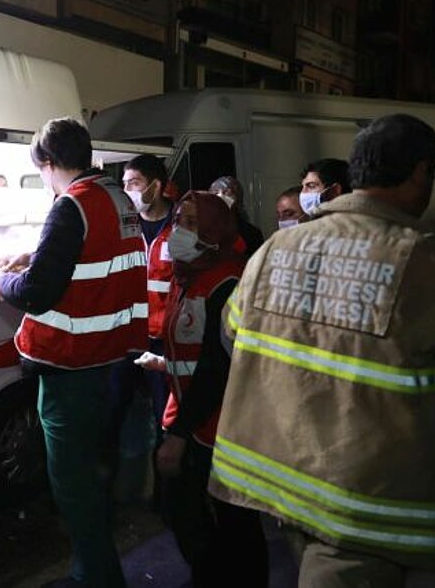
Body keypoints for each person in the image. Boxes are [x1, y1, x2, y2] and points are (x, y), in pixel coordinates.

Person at [209, 114, 435, 586]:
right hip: (367, 507)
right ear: (420, 173)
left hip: (280, 485)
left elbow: (232, 335)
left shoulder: (275, 251)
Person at [0, 117, 148, 588]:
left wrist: (3, 281)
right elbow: (88, 259)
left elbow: (37, 292)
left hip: (69, 361)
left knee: (71, 483)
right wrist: (33, 255)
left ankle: (97, 575)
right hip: (105, 355)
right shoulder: (116, 198)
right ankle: (90, 566)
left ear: (49, 163)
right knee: (88, 471)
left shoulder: (69, 205)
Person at [134, 191, 268, 588]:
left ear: (213, 231)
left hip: (224, 424)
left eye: (191, 223)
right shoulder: (188, 275)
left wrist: (176, 435)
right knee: (188, 513)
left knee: (236, 521)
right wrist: (164, 366)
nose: (178, 231)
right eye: (179, 220)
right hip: (191, 414)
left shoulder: (227, 283)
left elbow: (216, 365)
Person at [111, 154, 174, 503]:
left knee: (165, 419)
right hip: (127, 339)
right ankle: (114, 492)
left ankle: (165, 499)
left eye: (133, 183)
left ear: (155, 186)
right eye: (124, 184)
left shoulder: (183, 225)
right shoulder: (124, 224)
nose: (127, 191)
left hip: (165, 343)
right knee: (114, 412)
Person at [209, 175, 264, 258]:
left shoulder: (252, 233)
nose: (220, 196)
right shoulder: (203, 230)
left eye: (226, 193)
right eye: (216, 193)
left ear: (238, 198)